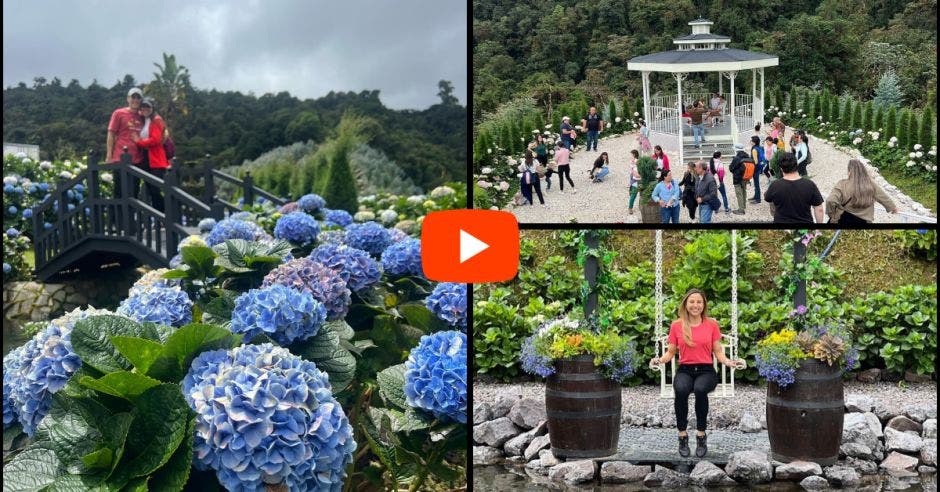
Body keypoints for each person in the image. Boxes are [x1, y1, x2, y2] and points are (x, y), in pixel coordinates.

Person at [650, 289, 745, 458]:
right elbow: (670, 352)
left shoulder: (711, 325)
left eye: (699, 302)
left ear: (704, 305)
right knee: (681, 390)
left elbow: (718, 351)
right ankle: (682, 435)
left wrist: (729, 362)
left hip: (706, 371)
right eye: (692, 302)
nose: (695, 305)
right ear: (686, 304)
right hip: (685, 370)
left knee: (700, 390)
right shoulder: (677, 325)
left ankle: (701, 435)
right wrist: (659, 360)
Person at [825, 159, 898, 223]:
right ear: (863, 171)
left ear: (849, 171)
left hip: (843, 218)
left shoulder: (842, 184)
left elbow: (830, 200)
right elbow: (884, 198)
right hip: (864, 220)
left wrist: (832, 213)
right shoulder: (870, 184)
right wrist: (893, 208)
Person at [764, 152, 824, 223]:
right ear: (797, 165)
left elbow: (768, 198)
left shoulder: (775, 185)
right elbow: (819, 208)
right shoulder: (810, 184)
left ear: (781, 168)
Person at [132, 98, 169, 212]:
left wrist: (138, 142)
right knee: (150, 188)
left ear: (153, 108)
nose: (145, 109)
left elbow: (155, 140)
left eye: (148, 107)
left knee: (155, 189)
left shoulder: (156, 120)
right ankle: (159, 216)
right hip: (146, 158)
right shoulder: (144, 120)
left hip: (156, 159)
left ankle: (164, 215)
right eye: (143, 107)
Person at [727, 143, 750, 215]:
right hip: (746, 177)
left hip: (737, 178)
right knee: (744, 191)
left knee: (739, 193)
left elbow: (731, 168)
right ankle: (743, 205)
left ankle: (741, 210)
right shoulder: (747, 156)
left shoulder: (736, 158)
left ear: (736, 149)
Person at [749, 136, 766, 204]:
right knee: (756, 183)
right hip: (759, 167)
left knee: (756, 184)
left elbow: (755, 161)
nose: (750, 142)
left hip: (755, 168)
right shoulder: (759, 147)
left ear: (754, 142)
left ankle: (758, 199)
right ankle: (755, 196)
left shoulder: (754, 150)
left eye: (751, 140)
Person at [628, 149, 642, 214]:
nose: (630, 156)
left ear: (634, 154)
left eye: (631, 154)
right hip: (636, 180)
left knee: (634, 195)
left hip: (637, 180)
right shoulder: (633, 162)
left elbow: (633, 173)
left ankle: (630, 208)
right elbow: (633, 173)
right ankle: (630, 208)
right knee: (634, 195)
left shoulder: (635, 162)